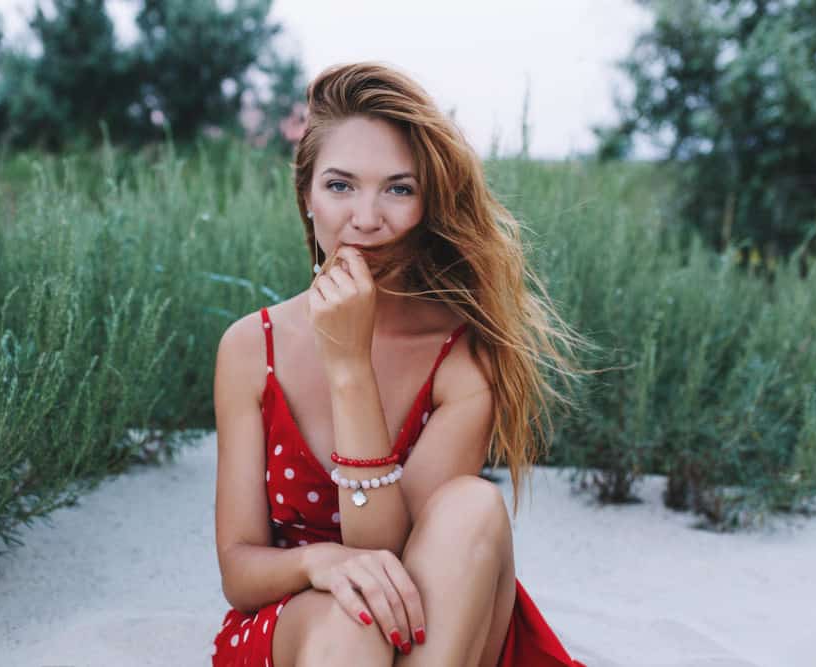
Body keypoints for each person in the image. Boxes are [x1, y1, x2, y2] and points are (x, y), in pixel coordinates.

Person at [211, 61, 591, 666]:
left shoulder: (463, 358)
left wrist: (348, 368)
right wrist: (321, 562)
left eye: (398, 188)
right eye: (340, 186)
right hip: (302, 626)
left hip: (437, 627)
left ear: (428, 206)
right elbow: (239, 568)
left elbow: (392, 551)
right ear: (306, 196)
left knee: (473, 506)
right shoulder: (249, 348)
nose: (366, 218)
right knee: (351, 622)